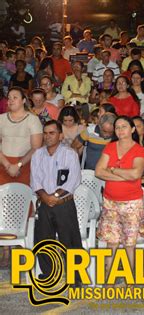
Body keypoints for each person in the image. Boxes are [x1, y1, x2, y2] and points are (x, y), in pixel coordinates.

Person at [96, 116, 144, 286]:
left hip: (132, 202)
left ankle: (130, 279)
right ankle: (108, 279)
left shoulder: (139, 150)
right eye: (117, 127)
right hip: (110, 200)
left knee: (129, 243)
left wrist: (112, 170)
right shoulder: (110, 147)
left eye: (124, 126)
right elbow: (98, 172)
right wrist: (122, 174)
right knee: (111, 241)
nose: (120, 130)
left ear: (132, 129)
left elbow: (136, 174)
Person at [31, 120, 83, 284]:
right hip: (44, 203)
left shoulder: (70, 154)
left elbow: (73, 179)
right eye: (45, 133)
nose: (47, 136)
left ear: (60, 135)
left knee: (70, 240)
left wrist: (54, 196)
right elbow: (35, 180)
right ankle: (48, 275)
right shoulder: (37, 154)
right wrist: (45, 197)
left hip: (64, 204)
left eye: (52, 133)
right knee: (43, 240)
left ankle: (75, 278)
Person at [0, 87, 42, 185]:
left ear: (23, 100)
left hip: (25, 165)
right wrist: (7, 165)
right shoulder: (1, 119)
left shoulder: (33, 120)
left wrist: (18, 165)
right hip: (3, 164)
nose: (11, 100)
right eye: (9, 98)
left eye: (15, 97)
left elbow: (36, 148)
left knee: (23, 198)